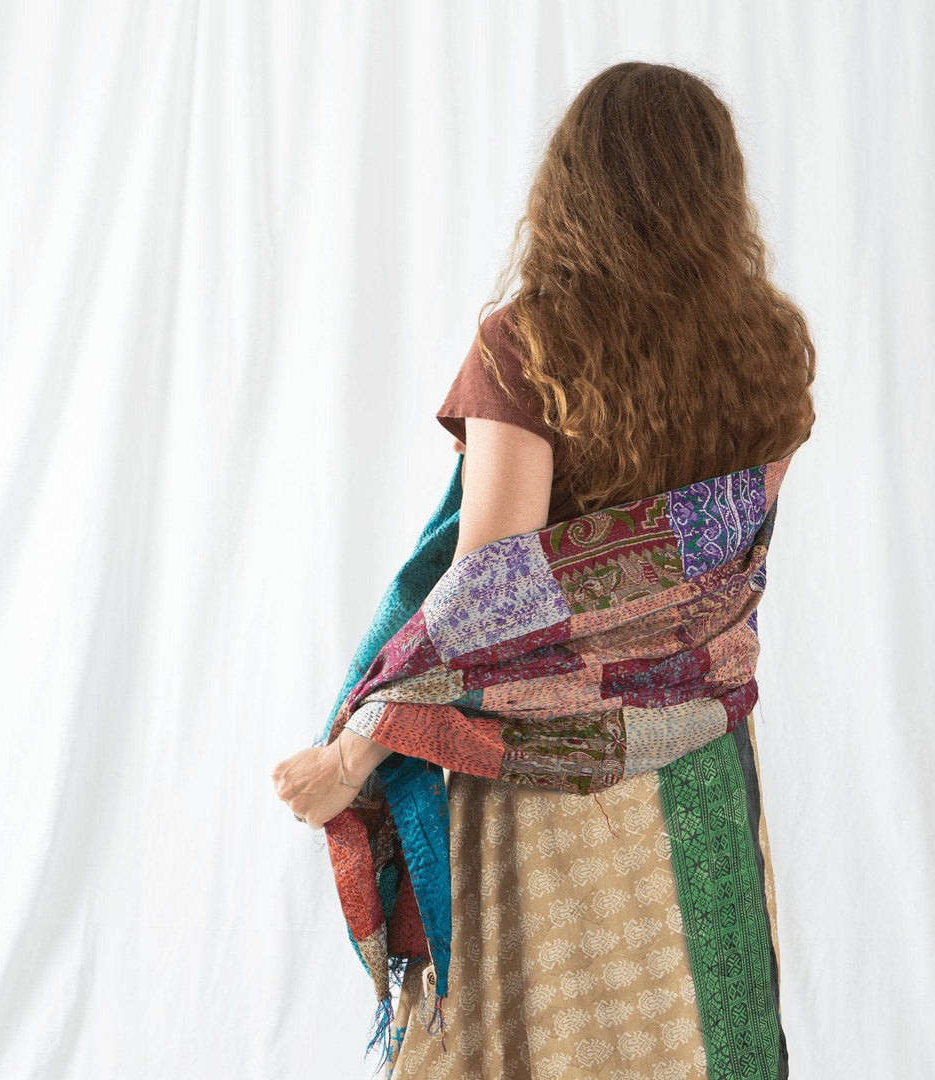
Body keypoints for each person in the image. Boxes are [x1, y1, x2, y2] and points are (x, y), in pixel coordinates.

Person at [274, 59, 815, 1079]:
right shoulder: (773, 350)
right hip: (699, 755)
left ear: (572, 185)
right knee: (694, 1040)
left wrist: (359, 744)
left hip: (535, 777)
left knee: (539, 1049)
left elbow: (492, 595)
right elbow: (701, 578)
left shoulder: (529, 344)